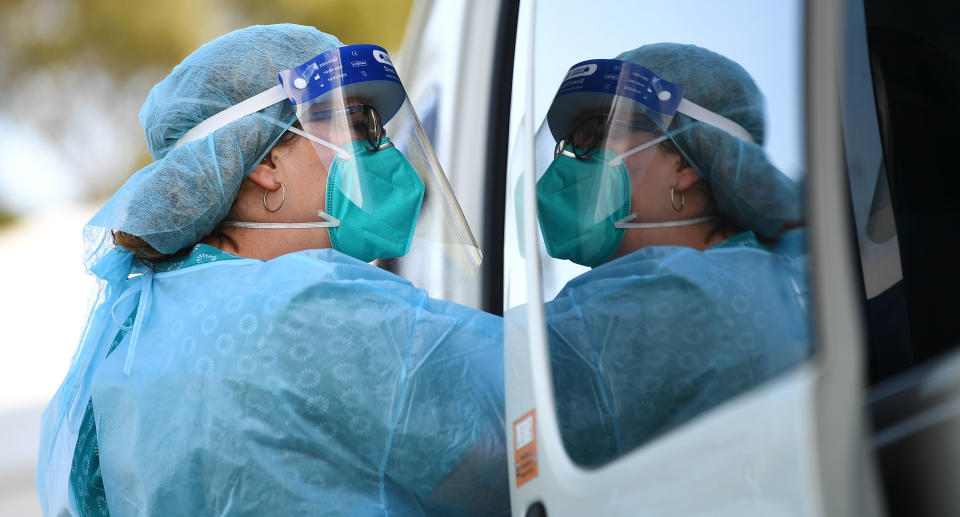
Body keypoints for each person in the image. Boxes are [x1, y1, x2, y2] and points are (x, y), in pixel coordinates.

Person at [36, 24, 508, 516]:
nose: (380, 148)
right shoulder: (308, 307)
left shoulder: (134, 333)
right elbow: (547, 407)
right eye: (358, 122)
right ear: (267, 160)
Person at [534, 43, 811, 466]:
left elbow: (479, 391)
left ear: (686, 163)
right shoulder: (759, 271)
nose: (572, 161)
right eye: (569, 143)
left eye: (594, 135)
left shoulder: (691, 297)